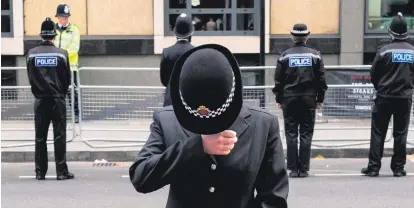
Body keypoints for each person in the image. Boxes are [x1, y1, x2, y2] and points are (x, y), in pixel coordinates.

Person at [129, 44, 289, 208]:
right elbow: (141, 177)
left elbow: (273, 198)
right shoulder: (166, 120)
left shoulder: (262, 124)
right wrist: (197, 147)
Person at [361, 12, 414, 177]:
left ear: (390, 32)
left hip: (384, 97)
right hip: (404, 98)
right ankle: (398, 168)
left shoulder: (384, 51)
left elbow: (373, 74)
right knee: (400, 133)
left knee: (378, 132)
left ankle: (374, 167)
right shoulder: (413, 52)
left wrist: (380, 87)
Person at [273, 23, 328, 178]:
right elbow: (321, 80)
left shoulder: (284, 55)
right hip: (309, 99)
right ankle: (303, 169)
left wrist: (279, 98)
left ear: (292, 36)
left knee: (291, 133)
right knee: (306, 133)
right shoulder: (315, 55)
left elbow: (278, 80)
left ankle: (292, 168)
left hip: (289, 99)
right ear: (307, 36)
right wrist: (320, 99)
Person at [26, 17, 75, 180]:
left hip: (40, 100)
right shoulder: (62, 54)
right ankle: (61, 171)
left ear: (41, 35)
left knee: (40, 136)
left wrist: (39, 92)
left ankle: (40, 172)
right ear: (54, 36)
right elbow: (66, 79)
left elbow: (31, 78)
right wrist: (60, 93)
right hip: (57, 98)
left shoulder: (31, 54)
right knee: (59, 135)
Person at [160, 13, 194, 107]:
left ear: (175, 33)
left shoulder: (167, 52)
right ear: (191, 33)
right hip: (189, 99)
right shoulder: (195, 52)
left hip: (170, 99)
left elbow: (164, 80)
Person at [54, 3, 81, 122]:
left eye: (67, 16)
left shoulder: (74, 29)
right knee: (55, 91)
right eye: (64, 16)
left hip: (70, 67)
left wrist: (61, 56)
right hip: (54, 67)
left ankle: (76, 114)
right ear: (58, 17)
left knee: (72, 92)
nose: (66, 18)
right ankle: (57, 114)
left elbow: (75, 47)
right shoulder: (52, 29)